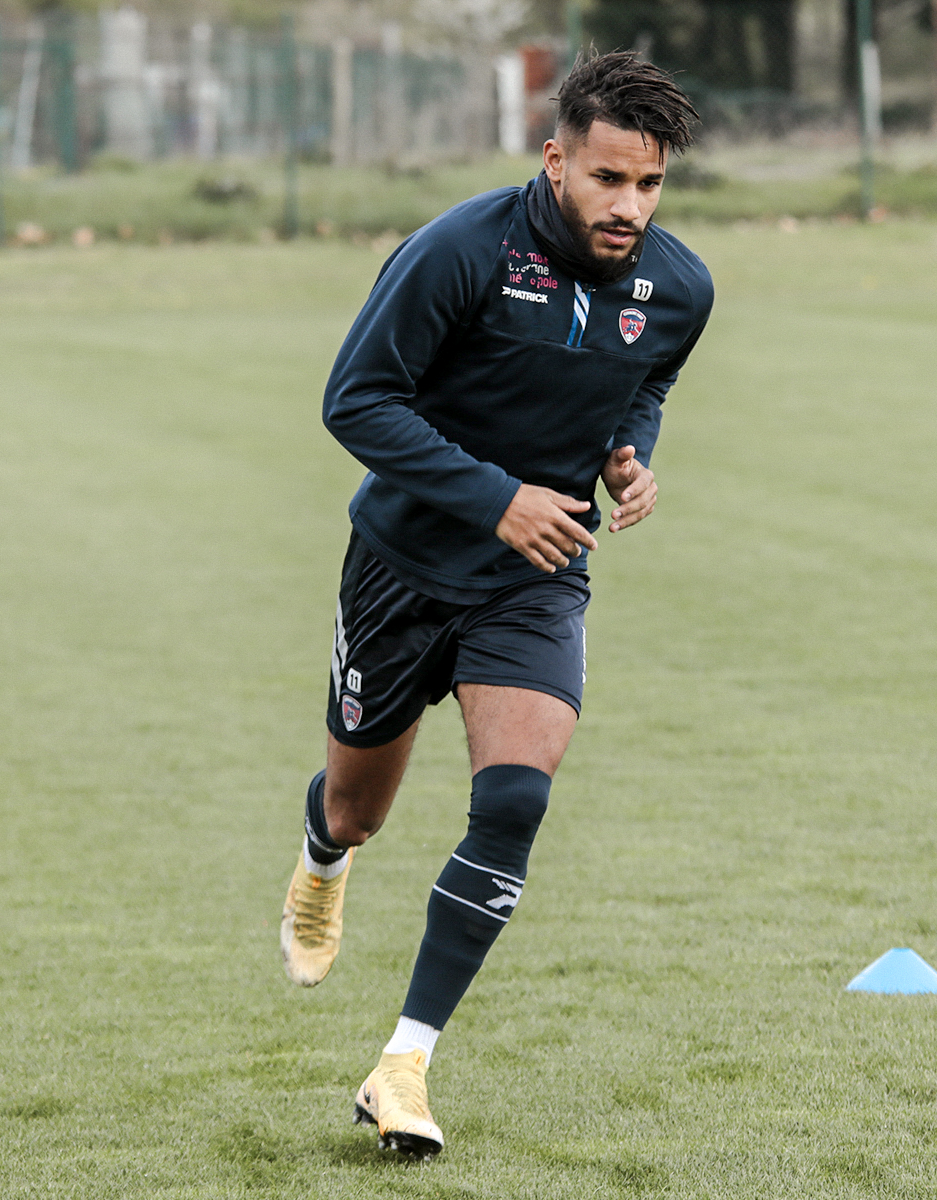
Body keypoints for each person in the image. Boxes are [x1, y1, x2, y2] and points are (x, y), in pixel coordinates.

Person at [278, 50, 714, 1158]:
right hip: (401, 564)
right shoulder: (459, 252)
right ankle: (324, 862)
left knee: (515, 799)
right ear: (555, 158)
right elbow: (354, 401)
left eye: (650, 185)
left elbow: (642, 378)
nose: (629, 207)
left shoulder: (680, 287)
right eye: (609, 179)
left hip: (537, 574)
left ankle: (403, 1063)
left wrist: (628, 452)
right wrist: (493, 498)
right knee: (358, 806)